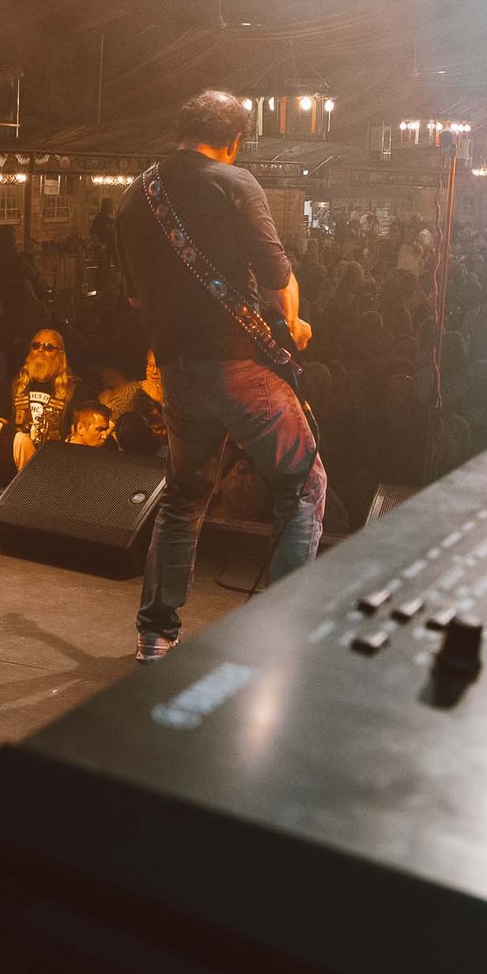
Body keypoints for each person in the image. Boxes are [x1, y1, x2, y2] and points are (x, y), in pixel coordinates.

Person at [116, 90, 323, 663]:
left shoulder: (136, 194)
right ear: (234, 141)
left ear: (181, 130)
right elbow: (277, 279)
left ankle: (156, 634)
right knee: (303, 481)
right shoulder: (235, 183)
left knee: (184, 496)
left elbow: (134, 297)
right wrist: (295, 323)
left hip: (176, 371)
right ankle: (281, 635)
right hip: (239, 366)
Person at [11, 327, 76, 446]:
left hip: (54, 454)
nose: (40, 350)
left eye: (48, 347)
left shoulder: (73, 388)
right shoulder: (17, 384)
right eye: (36, 346)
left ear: (60, 354)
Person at [102, 349, 166, 450]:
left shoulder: (178, 394)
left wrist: (161, 401)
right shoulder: (134, 389)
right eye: (150, 365)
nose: (154, 372)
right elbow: (112, 419)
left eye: (159, 367)